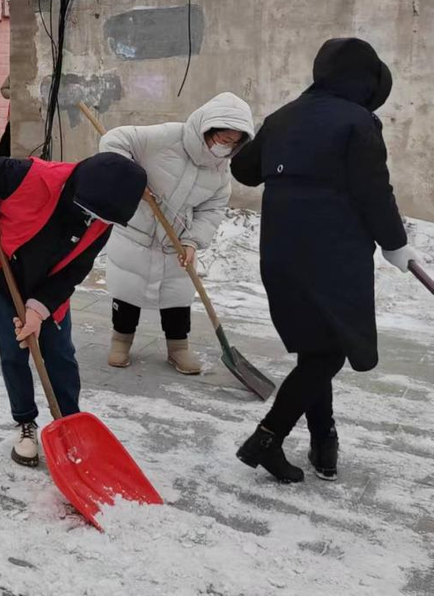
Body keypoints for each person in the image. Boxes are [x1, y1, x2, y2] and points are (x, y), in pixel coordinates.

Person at [231, 38, 418, 484]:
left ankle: (323, 443)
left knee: (317, 348)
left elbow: (244, 170)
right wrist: (396, 244)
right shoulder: (358, 122)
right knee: (329, 352)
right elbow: (374, 191)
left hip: (280, 252)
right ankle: (267, 437)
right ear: (365, 81)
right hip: (332, 257)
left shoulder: (281, 118)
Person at [0, 150, 147, 467]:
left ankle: (69, 422)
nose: (95, 222)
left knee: (60, 354)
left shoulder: (102, 218)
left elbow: (75, 269)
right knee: (14, 349)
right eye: (91, 212)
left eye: (104, 219)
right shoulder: (32, 176)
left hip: (48, 285)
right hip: (1, 271)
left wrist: (38, 310)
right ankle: (26, 423)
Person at [100, 93, 255, 374]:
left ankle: (178, 349)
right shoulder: (167, 136)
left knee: (178, 297)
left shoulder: (220, 171)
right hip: (137, 233)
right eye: (223, 140)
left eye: (234, 143)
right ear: (208, 129)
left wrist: (193, 241)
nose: (226, 148)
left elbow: (213, 209)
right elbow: (112, 140)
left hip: (176, 241)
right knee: (127, 291)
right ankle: (120, 342)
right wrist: (130, 180)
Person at [0, 74, 12, 157]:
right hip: (15, 117)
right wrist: (14, 94)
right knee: (6, 142)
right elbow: (4, 89)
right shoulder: (16, 72)